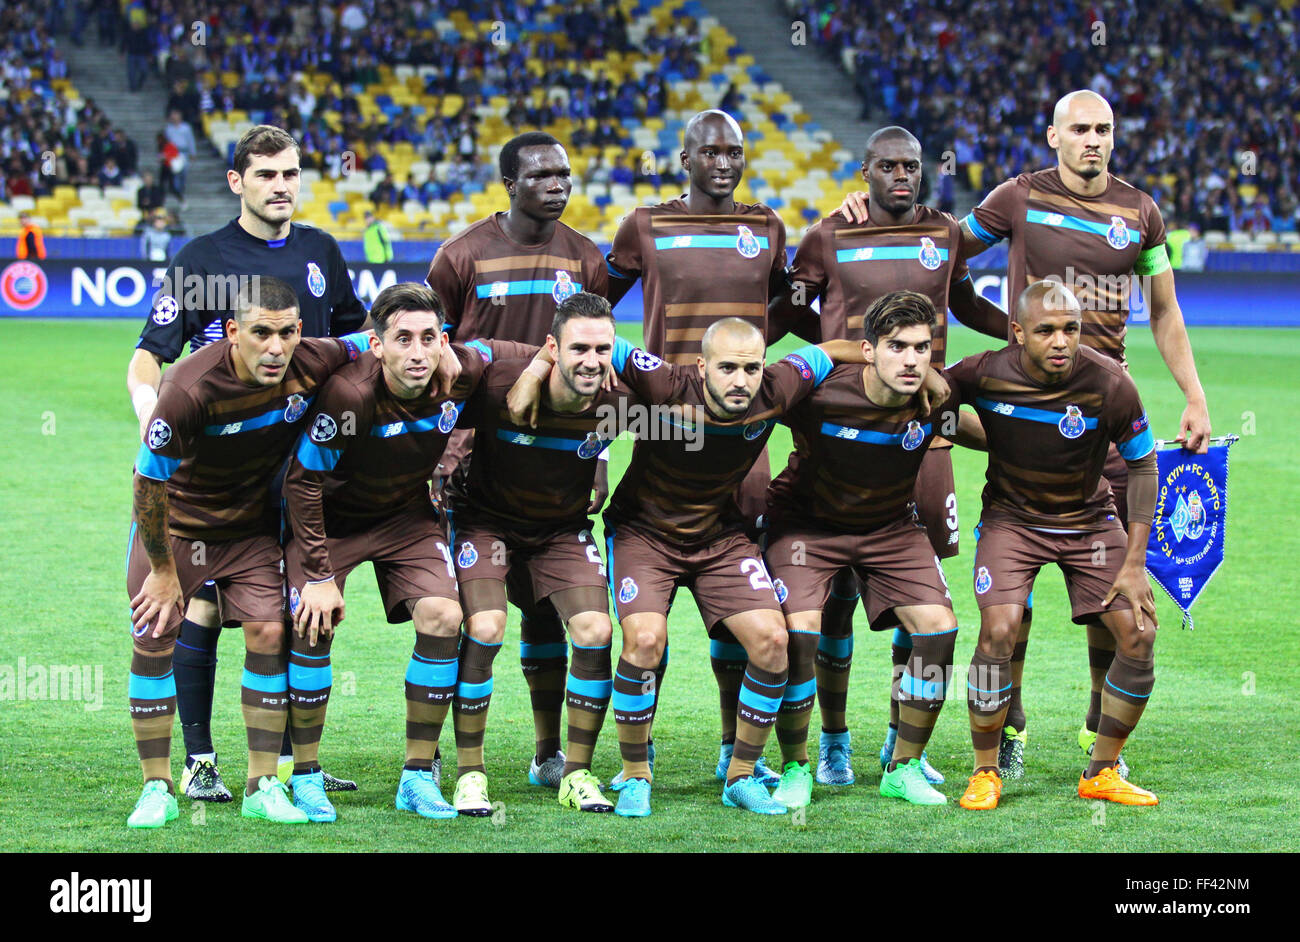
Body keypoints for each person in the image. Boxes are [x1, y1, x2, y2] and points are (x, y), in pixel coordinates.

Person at [837, 89, 1210, 779]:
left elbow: (1164, 311)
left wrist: (1194, 395)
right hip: (1024, 415)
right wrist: (865, 213)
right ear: (1053, 136)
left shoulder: (1141, 212)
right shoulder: (1017, 198)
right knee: (1014, 601)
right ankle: (1009, 726)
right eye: (1080, 129)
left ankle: (1100, 729)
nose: (1092, 140)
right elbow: (940, 257)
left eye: (1103, 129)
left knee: (1112, 600)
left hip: (1103, 417)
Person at [125, 124, 367, 803]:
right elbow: (151, 349)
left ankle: (290, 766)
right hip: (217, 466)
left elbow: (353, 340)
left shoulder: (321, 249)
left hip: (300, 464)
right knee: (197, 608)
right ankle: (201, 760)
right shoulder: (200, 258)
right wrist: (151, 409)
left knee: (294, 612)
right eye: (266, 175)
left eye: (290, 173)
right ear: (238, 183)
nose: (281, 186)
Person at [770, 126, 1009, 789]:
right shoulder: (828, 234)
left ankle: (900, 743)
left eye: (912, 166)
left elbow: (960, 302)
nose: (902, 175)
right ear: (866, 171)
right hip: (842, 418)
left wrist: (1012, 329)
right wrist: (838, 356)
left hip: (923, 429)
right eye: (888, 166)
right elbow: (790, 308)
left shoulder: (945, 234)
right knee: (835, 597)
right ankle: (833, 742)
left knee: (920, 587)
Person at [533, 318, 840, 816]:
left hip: (720, 538)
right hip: (643, 534)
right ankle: (636, 775)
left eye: (750, 368)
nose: (740, 380)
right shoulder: (665, 385)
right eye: (727, 368)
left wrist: (917, 368)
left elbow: (828, 352)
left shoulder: (779, 386)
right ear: (701, 367)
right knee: (646, 641)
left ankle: (740, 774)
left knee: (773, 640)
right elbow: (597, 344)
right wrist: (534, 369)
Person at [605, 110, 790, 785]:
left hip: (740, 437)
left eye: (734, 151)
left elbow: (792, 307)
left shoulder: (766, 227)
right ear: (683, 157)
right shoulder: (644, 226)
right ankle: (637, 751)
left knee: (739, 607)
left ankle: (729, 746)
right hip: (664, 424)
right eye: (709, 150)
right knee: (648, 616)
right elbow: (596, 305)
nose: (723, 160)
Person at [425, 131, 609, 790]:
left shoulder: (586, 257)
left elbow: (597, 355)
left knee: (550, 610)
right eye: (542, 176)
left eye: (565, 174)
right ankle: (442, 748)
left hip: (559, 459)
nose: (558, 185)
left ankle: (548, 751)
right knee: (473, 618)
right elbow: (433, 360)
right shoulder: (461, 255)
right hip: (481, 459)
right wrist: (444, 449)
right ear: (509, 181)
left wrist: (596, 455)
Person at [281, 283, 495, 822]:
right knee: (315, 622)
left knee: (446, 615)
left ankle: (418, 776)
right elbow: (302, 483)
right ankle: (303, 776)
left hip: (406, 516)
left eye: (429, 338)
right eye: (403, 339)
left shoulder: (458, 374)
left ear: (444, 341)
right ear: (377, 345)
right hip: (334, 521)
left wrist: (543, 362)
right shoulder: (350, 396)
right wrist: (317, 574)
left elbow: (513, 352)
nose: (418, 353)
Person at [764, 291, 985, 808]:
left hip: (889, 528)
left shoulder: (934, 401)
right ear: (869, 350)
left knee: (939, 628)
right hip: (806, 528)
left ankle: (902, 767)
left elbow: (991, 434)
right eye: (896, 347)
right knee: (801, 634)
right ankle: (798, 765)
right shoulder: (818, 396)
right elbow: (760, 387)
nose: (911, 360)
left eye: (921, 348)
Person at [946, 282, 1160, 810]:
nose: (1060, 341)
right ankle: (985, 770)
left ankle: (1102, 769)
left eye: (1071, 329)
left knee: (1138, 631)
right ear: (1018, 332)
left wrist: (1134, 565)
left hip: (1088, 523)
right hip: (1012, 522)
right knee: (998, 629)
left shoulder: (1111, 384)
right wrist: (988, 433)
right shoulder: (984, 371)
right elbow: (933, 400)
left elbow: (1144, 466)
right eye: (1045, 331)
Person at [443, 293, 630, 815]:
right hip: (486, 522)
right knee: (485, 627)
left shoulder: (623, 395)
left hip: (560, 529)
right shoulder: (499, 380)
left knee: (596, 630)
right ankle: (470, 774)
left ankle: (573, 771)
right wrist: (535, 368)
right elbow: (460, 358)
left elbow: (685, 397)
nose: (592, 361)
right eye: (578, 349)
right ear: (552, 346)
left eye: (602, 349)